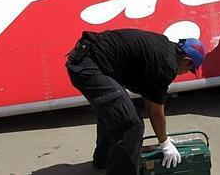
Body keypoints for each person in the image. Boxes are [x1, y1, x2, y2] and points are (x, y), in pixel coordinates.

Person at [65, 28, 206, 175]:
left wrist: (164, 138)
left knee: (115, 113)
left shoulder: (164, 47)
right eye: (190, 69)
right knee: (131, 124)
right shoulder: (166, 65)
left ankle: (104, 159)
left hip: (86, 58)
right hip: (89, 68)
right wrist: (164, 143)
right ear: (186, 61)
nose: (184, 73)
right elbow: (155, 111)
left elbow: (150, 98)